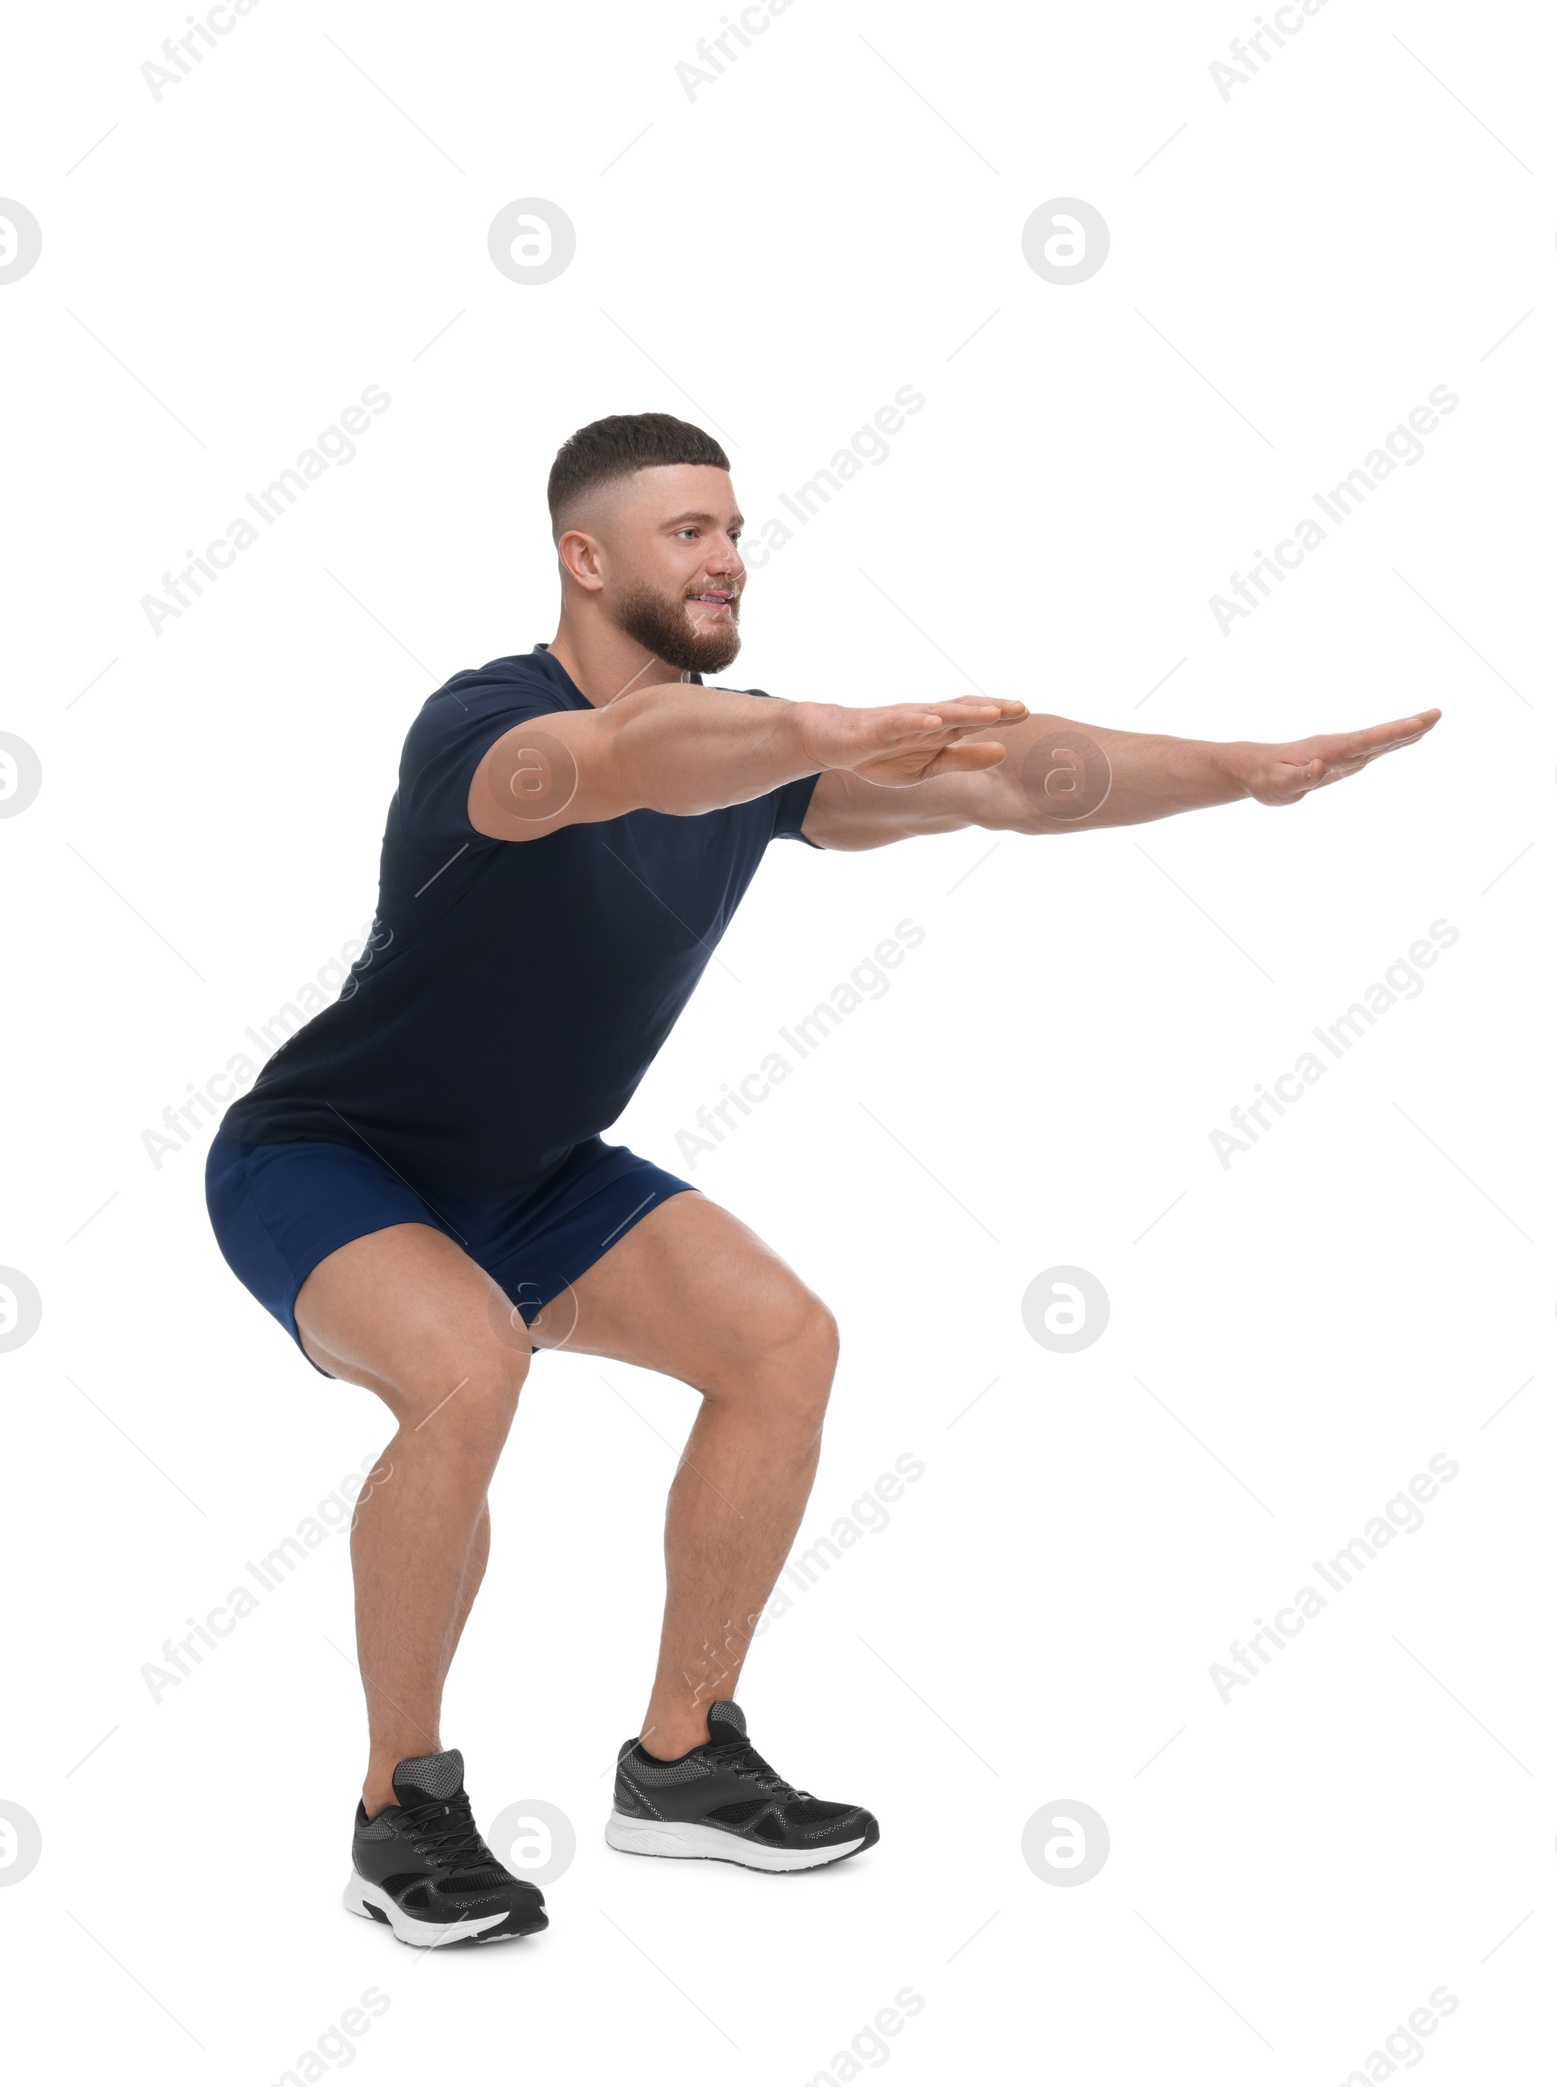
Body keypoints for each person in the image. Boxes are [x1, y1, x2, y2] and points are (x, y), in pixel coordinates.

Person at [205, 411, 1440, 1946]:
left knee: (780, 1343)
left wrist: (1238, 771)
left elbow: (1016, 778)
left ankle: (681, 1758)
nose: (725, 557)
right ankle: (403, 1810)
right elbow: (630, 754)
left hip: (533, 1178)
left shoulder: (767, 753)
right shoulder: (488, 731)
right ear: (584, 560)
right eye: (687, 533)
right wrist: (826, 731)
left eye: (732, 529)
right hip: (326, 1160)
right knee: (467, 1366)